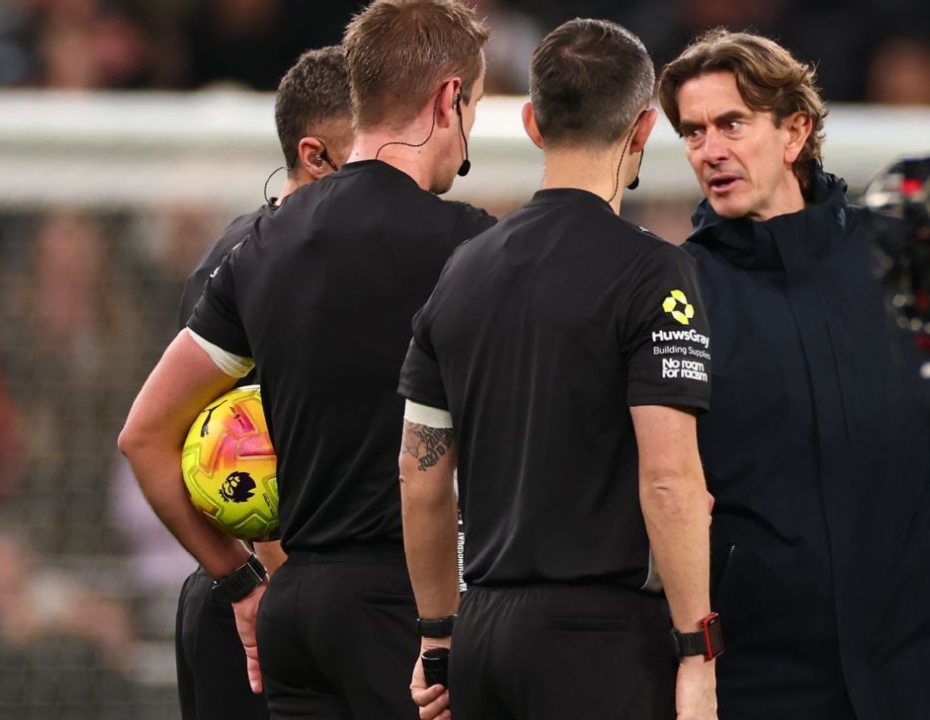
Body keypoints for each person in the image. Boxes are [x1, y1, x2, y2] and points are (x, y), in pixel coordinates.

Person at [116, 1, 495, 718]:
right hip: (401, 607)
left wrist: (241, 584)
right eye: (471, 108)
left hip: (292, 614)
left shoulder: (255, 249)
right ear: (449, 100)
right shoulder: (468, 247)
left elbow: (142, 436)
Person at [397, 18, 719, 720]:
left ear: (533, 123)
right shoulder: (654, 272)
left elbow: (420, 479)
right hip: (601, 643)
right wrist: (698, 652)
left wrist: (438, 637)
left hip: (484, 634)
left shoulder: (462, 271)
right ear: (641, 131)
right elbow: (669, 479)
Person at [655, 29, 930, 720]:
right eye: (694, 132)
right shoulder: (680, 290)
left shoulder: (893, 260)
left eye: (731, 123)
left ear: (795, 131)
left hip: (909, 658)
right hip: (759, 672)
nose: (710, 150)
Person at [169, 44, 352, 720]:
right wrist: (271, 580)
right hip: (257, 600)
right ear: (314, 154)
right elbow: (225, 447)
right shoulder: (247, 264)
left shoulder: (293, 257)